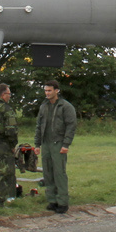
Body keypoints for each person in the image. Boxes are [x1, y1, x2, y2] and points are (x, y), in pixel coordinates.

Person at [34, 80, 78, 214]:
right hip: (46, 143)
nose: (47, 93)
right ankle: (52, 200)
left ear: (57, 90)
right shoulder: (43, 106)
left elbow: (71, 125)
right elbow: (39, 125)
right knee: (47, 172)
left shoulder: (65, 106)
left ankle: (62, 202)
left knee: (59, 173)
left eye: (49, 90)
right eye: (45, 91)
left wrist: (66, 144)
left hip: (58, 143)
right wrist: (37, 144)